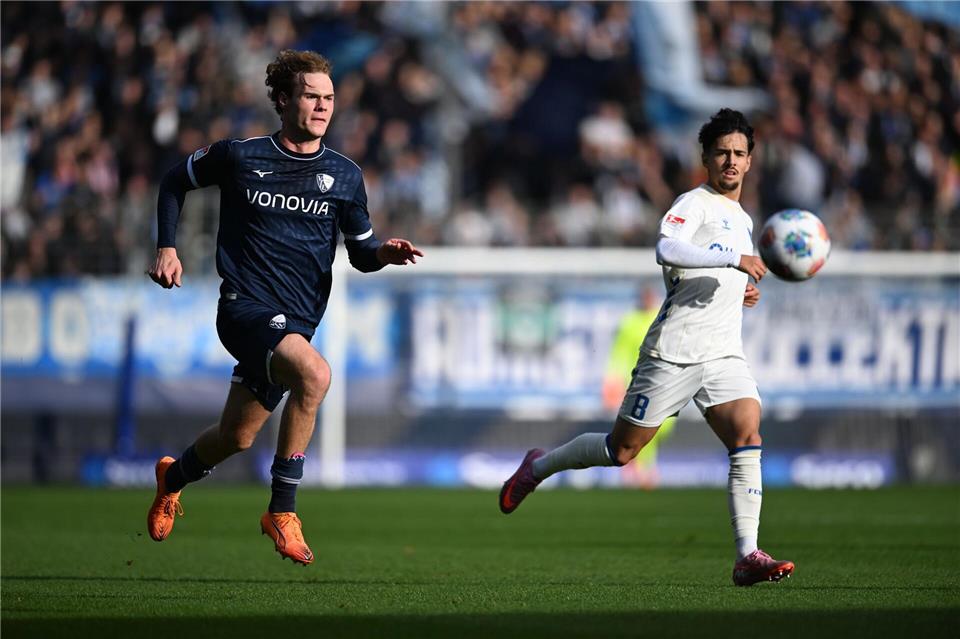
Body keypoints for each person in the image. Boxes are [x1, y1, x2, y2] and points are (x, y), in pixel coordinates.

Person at [146, 50, 423, 566]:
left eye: (329, 98)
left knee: (238, 436)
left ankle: (174, 476)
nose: (322, 106)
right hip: (244, 309)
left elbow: (361, 253)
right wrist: (167, 246)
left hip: (295, 325)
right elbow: (172, 182)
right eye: (311, 96)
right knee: (315, 377)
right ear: (282, 100)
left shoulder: (344, 176)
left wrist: (383, 253)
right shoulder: (241, 156)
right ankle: (282, 510)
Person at [499, 108, 794, 587]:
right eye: (722, 152)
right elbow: (667, 248)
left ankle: (747, 554)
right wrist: (733, 258)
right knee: (622, 451)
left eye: (740, 153)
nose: (731, 161)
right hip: (673, 351)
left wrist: (739, 287)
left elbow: (709, 272)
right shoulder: (694, 203)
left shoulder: (741, 217)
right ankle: (540, 464)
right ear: (705, 156)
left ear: (751, 160)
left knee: (747, 433)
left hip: (723, 353)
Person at [601, 286, 676, 489]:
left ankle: (637, 464)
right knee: (643, 425)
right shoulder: (629, 321)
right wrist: (612, 379)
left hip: (662, 380)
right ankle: (643, 471)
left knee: (663, 426)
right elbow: (619, 352)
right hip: (635, 380)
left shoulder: (662, 317)